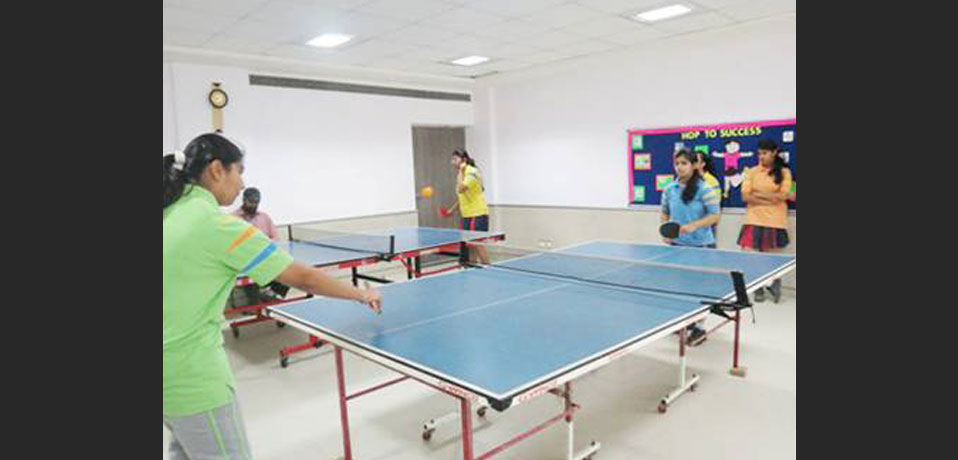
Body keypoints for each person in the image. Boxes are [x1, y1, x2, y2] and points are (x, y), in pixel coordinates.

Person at [163, 133, 382, 460]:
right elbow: (302, 276)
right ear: (216, 170)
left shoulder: (170, 212)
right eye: (239, 170)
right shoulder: (217, 226)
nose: (242, 183)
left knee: (185, 450)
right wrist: (360, 294)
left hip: (168, 378)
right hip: (190, 375)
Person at [661, 149, 722, 345]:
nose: (679, 167)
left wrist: (694, 226)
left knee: (699, 289)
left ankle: (700, 327)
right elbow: (664, 212)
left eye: (684, 163)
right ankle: (686, 321)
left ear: (694, 165)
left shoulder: (705, 189)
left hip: (701, 245)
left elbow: (715, 216)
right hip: (677, 246)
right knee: (679, 287)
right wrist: (665, 232)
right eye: (677, 163)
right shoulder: (669, 189)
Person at [738, 139, 793, 303]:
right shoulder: (752, 171)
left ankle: (774, 282)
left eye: (765, 153)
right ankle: (758, 287)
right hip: (753, 219)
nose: (761, 156)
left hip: (775, 220)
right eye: (759, 153)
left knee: (772, 258)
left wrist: (757, 196)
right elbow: (745, 196)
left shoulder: (784, 172)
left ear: (774, 152)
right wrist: (771, 197)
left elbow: (784, 195)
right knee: (752, 257)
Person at [232, 187, 288, 302]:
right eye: (251, 202)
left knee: (287, 271)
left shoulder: (264, 217)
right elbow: (231, 244)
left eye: (256, 202)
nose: (254, 205)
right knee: (253, 280)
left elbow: (276, 237)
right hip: (244, 262)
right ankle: (262, 301)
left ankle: (273, 299)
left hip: (266, 259)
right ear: (244, 200)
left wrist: (265, 246)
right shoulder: (233, 219)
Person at [447, 150, 490, 264]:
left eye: (455, 159)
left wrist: (461, 171)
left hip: (477, 214)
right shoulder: (462, 174)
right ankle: (472, 269)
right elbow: (462, 195)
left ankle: (489, 269)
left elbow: (461, 188)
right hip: (467, 214)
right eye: (452, 160)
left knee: (477, 244)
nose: (452, 162)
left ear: (464, 160)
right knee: (470, 245)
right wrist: (452, 209)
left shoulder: (472, 172)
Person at [694, 150, 722, 238]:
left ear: (703, 164)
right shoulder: (685, 180)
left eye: (696, 161)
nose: (693, 163)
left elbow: (715, 204)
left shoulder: (711, 181)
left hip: (706, 226)